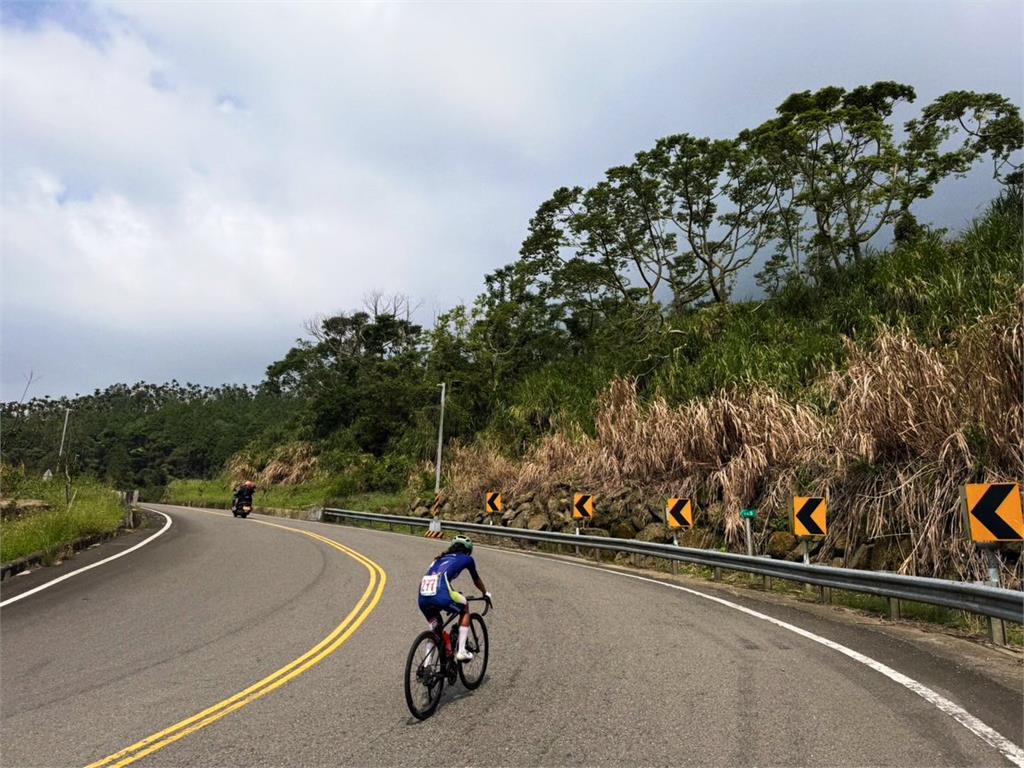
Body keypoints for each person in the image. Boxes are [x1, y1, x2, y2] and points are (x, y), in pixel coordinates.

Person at [418, 535, 491, 661]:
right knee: (464, 606)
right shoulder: (467, 559)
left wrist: (452, 592)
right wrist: (485, 593)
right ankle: (462, 651)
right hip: (441, 593)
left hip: (422, 596)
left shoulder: (438, 559)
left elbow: (437, 578)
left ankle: (427, 666)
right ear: (468, 550)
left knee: (436, 630)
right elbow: (476, 580)